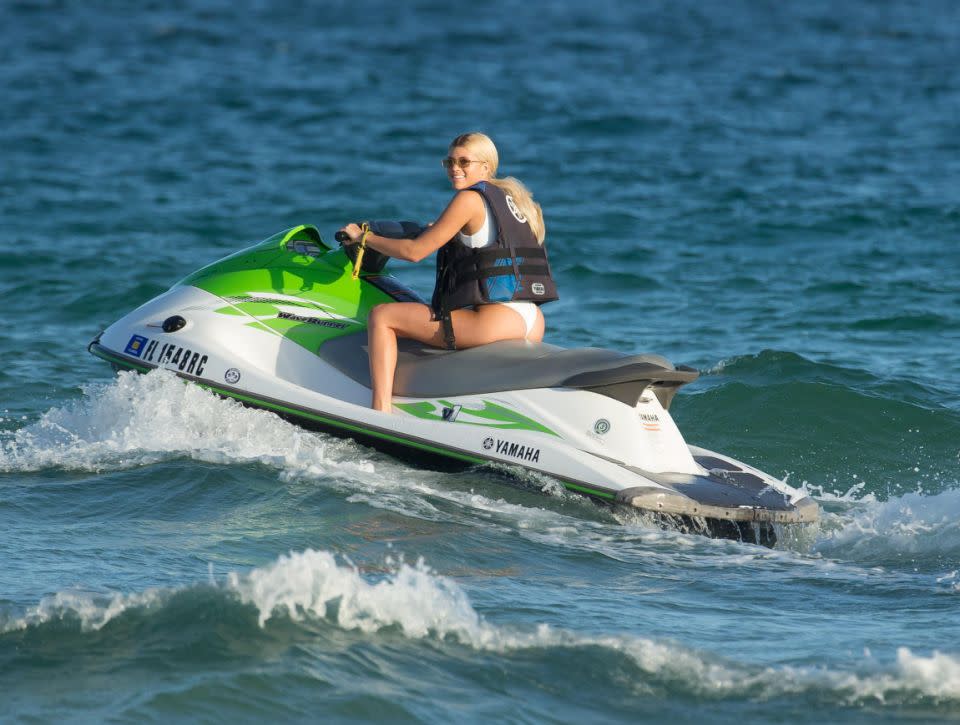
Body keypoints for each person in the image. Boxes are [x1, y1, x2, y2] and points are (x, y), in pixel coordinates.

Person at [339, 132, 559, 413]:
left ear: (485, 166)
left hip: (495, 319)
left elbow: (414, 252)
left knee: (382, 316)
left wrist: (363, 238)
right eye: (450, 161)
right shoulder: (513, 199)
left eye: (464, 161)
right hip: (532, 319)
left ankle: (379, 411)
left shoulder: (468, 199)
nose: (455, 168)